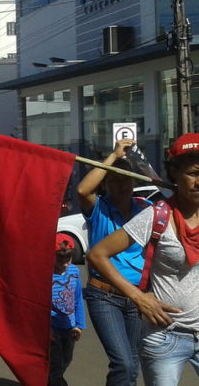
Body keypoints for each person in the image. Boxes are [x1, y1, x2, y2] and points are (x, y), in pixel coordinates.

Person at [88, 133, 199, 385]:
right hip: (165, 336)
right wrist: (139, 297)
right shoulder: (154, 215)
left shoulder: (139, 206)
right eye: (192, 173)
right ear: (174, 175)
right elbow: (96, 254)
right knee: (125, 365)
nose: (198, 181)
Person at [76, 138, 148, 386]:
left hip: (137, 296)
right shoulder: (98, 207)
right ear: (106, 183)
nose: (121, 184)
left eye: (126, 178)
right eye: (115, 179)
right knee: (123, 363)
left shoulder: (145, 209)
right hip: (104, 295)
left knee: (132, 365)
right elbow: (83, 190)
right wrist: (113, 157)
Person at [50, 234, 85, 386]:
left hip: (70, 326)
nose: (64, 264)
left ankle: (50, 379)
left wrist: (79, 324)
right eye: (60, 260)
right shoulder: (46, 273)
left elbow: (77, 299)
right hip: (52, 327)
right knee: (56, 362)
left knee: (67, 358)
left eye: (68, 260)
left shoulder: (74, 272)